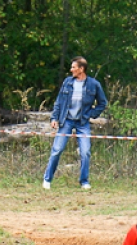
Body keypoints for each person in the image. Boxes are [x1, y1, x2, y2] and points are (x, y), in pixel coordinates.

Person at [42, 57, 108, 190]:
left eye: (73, 67)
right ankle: (47, 180)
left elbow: (103, 103)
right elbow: (59, 102)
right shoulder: (67, 82)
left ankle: (84, 181)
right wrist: (54, 118)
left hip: (83, 123)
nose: (71, 70)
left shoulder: (94, 84)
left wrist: (91, 115)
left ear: (81, 69)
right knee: (57, 150)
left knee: (85, 152)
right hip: (66, 120)